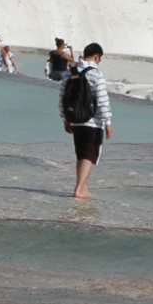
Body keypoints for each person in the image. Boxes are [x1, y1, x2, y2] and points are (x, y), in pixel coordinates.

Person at [61, 40, 113, 199]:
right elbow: (103, 100)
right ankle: (79, 188)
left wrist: (65, 118)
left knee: (81, 154)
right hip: (93, 122)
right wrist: (108, 121)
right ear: (96, 57)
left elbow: (62, 98)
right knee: (89, 155)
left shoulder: (70, 72)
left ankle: (82, 186)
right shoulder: (96, 74)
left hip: (75, 120)